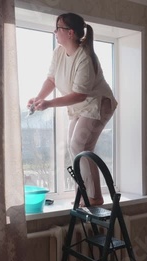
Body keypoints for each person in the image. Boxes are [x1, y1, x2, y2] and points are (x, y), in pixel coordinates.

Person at [27, 13, 118, 206]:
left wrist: (49, 104)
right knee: (74, 147)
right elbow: (51, 79)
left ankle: (94, 197)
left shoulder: (85, 57)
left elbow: (80, 95)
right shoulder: (59, 52)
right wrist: (39, 98)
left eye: (57, 28)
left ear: (70, 33)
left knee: (80, 146)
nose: (54, 32)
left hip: (99, 103)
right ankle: (83, 194)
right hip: (80, 106)